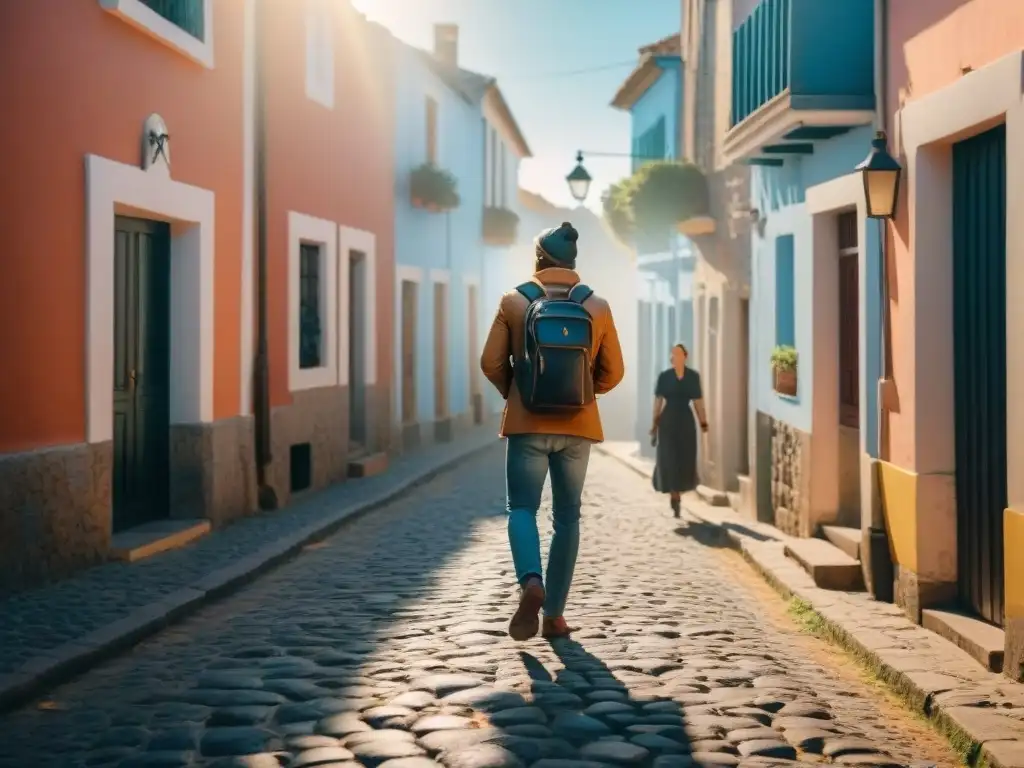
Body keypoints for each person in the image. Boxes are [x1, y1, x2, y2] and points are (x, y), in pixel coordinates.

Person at [480, 221, 624, 641]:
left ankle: (531, 582)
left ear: (539, 258)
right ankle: (555, 616)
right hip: (578, 429)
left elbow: (490, 362)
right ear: (572, 262)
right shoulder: (596, 305)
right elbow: (614, 371)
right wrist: (581, 395)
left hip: (528, 426)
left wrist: (519, 394)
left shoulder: (514, 301)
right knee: (567, 517)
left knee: (522, 508)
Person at [650, 343, 708, 517]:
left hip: (685, 420)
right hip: (668, 421)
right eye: (673, 355)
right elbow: (658, 402)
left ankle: (679, 491)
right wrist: (654, 425)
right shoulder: (664, 377)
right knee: (669, 456)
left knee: (685, 457)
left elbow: (698, 401)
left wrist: (703, 422)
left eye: (679, 354)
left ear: (685, 356)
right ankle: (674, 494)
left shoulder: (693, 377)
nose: (675, 357)